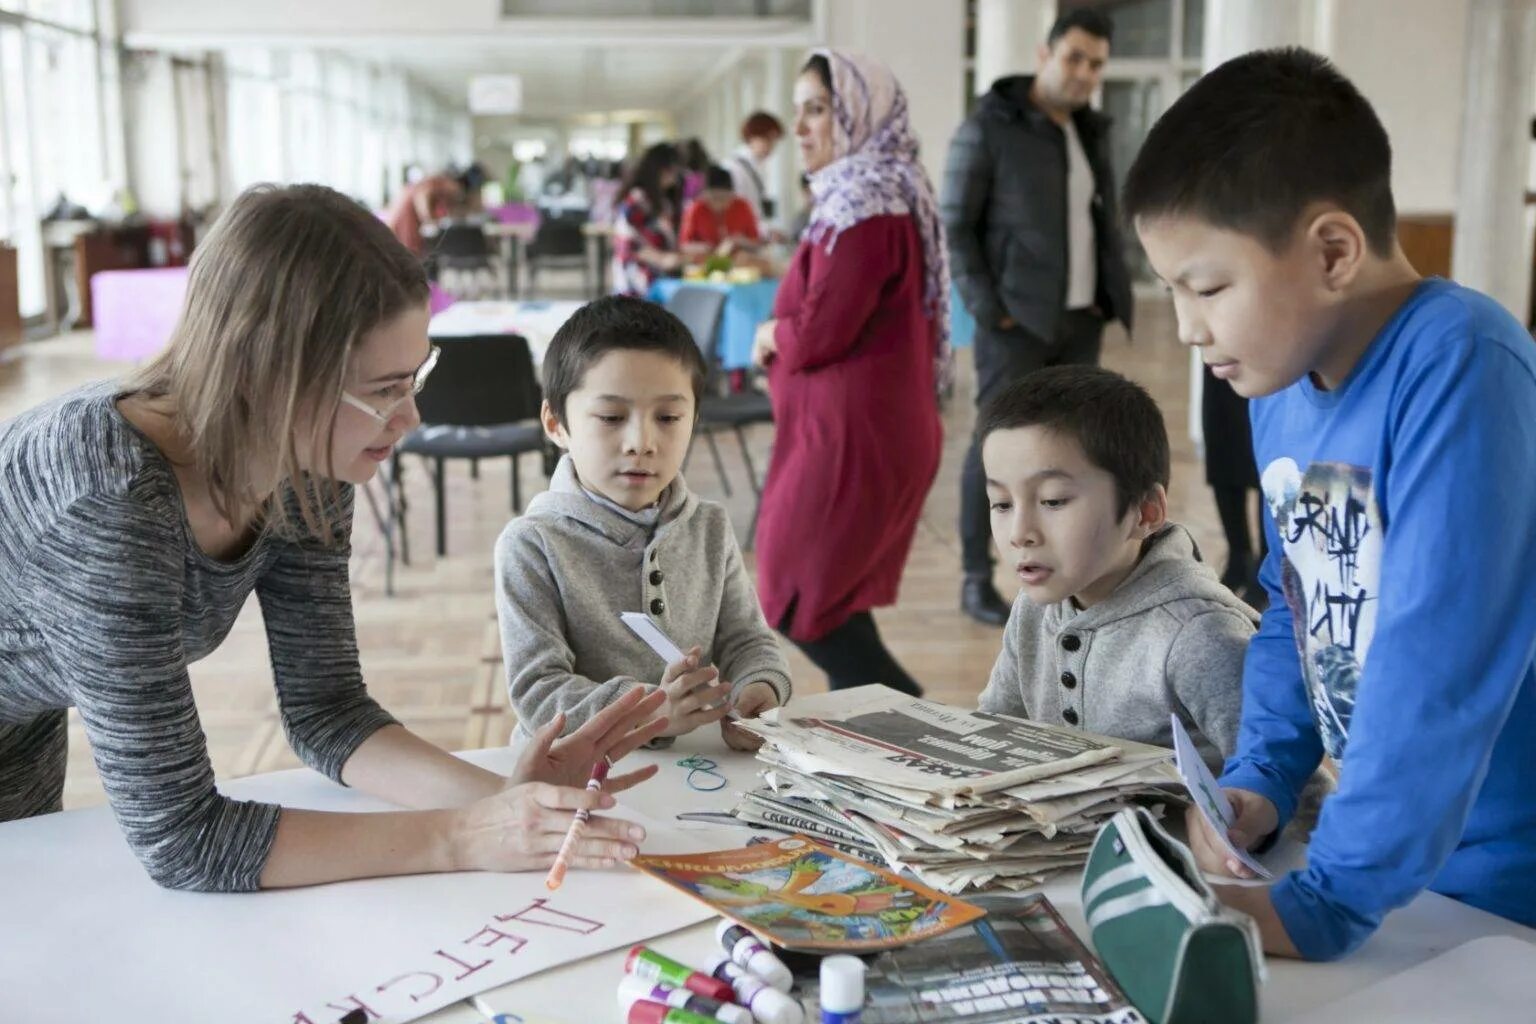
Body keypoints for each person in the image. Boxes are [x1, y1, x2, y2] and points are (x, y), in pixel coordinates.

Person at [0, 184, 667, 891]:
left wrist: (500, 800)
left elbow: (327, 711)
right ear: (272, 377)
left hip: (24, 729)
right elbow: (185, 839)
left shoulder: (304, 457)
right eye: (383, 389)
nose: (409, 417)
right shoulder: (104, 497)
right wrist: (464, 835)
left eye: (416, 376)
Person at [1125, 48, 1536, 961]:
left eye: (1209, 287)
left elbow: (1440, 655)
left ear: (1334, 251)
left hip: (1506, 887)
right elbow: (1296, 603)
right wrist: (1264, 776)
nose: (1188, 328)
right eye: (1172, 292)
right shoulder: (1281, 388)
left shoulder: (1463, 364)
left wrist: (1331, 898)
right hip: (1394, 871)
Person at [495, 296, 790, 751]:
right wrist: (651, 712)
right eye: (612, 417)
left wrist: (758, 690)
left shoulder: (708, 526)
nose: (641, 442)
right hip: (572, 776)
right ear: (556, 424)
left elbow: (746, 639)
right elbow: (539, 692)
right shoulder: (532, 544)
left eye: (669, 417)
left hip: (695, 772)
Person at [751, 50, 948, 696]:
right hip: (845, 434)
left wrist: (773, 333)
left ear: (859, 116)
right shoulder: (858, 197)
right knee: (827, 596)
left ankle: (902, 711)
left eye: (818, 110)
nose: (802, 127)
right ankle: (867, 730)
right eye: (799, 111)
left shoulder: (868, 210)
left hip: (853, 443)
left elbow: (818, 332)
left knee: (796, 595)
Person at [942, 8, 1134, 627]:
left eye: (1096, 64)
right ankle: (977, 575)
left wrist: (1110, 294)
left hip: (1081, 316)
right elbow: (956, 226)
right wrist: (989, 310)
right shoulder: (990, 126)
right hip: (1016, 321)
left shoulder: (1089, 129)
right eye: (1074, 57)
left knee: (1074, 448)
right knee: (995, 446)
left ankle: (1067, 569)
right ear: (1044, 53)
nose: (1084, 73)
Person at [975, 366, 1255, 771]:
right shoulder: (1035, 608)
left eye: (1053, 501)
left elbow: (1295, 796)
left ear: (1145, 512)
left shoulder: (1201, 637)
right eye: (1001, 504)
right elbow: (993, 734)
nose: (1020, 533)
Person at [1202, 363, 1267, 607]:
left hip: (1266, 354)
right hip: (1219, 353)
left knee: (1265, 460)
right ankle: (1238, 558)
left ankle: (1265, 568)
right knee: (1222, 449)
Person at [612, 142, 684, 296]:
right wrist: (663, 259)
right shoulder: (636, 200)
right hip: (638, 281)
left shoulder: (663, 201)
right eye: (671, 171)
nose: (674, 177)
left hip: (660, 279)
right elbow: (629, 243)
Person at [680, 166, 762, 255]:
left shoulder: (743, 206)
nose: (719, 203)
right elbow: (684, 245)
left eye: (724, 198)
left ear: (732, 195)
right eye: (714, 198)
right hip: (704, 262)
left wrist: (741, 241)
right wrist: (703, 247)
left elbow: (756, 243)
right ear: (704, 195)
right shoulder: (695, 209)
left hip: (739, 262)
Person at [385, 170, 463, 258]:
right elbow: (423, 202)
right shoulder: (433, 186)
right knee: (409, 251)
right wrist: (430, 218)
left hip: (398, 226)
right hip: (404, 222)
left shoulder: (422, 186)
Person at [728, 111, 786, 227]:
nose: (772, 146)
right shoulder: (734, 170)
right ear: (752, 136)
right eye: (768, 139)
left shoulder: (756, 168)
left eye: (774, 140)